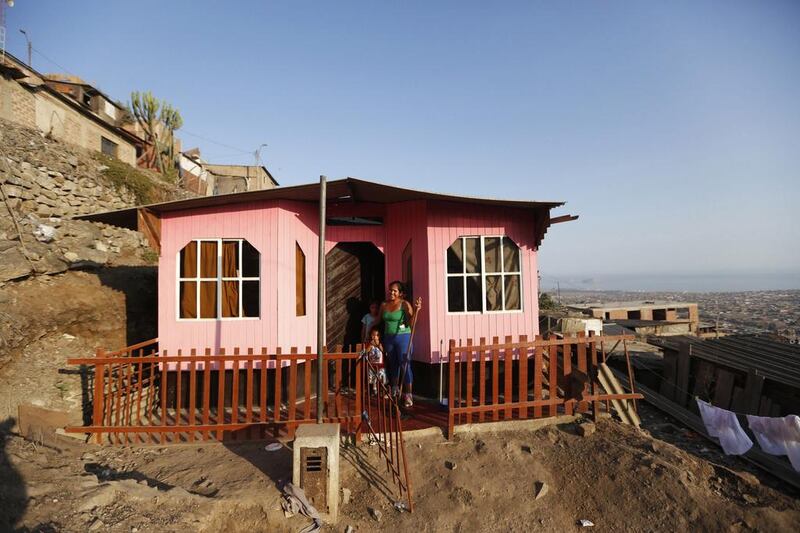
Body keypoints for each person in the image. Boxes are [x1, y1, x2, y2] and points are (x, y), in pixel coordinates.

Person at [372, 280, 422, 408]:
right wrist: (367, 328)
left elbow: (412, 323)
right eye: (390, 290)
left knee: (405, 365)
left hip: (403, 337)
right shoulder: (384, 305)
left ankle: (408, 395)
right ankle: (395, 390)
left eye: (394, 291)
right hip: (389, 338)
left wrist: (416, 310)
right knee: (393, 363)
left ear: (400, 293)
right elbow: (377, 320)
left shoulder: (405, 304)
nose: (391, 292)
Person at [365, 327, 387, 394]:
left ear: (379, 337)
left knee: (381, 377)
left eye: (377, 335)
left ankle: (382, 390)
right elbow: (365, 351)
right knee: (371, 378)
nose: (375, 337)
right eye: (373, 335)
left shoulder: (381, 344)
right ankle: (373, 390)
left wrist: (379, 346)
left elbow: (384, 352)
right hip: (372, 365)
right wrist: (370, 346)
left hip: (380, 365)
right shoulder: (369, 344)